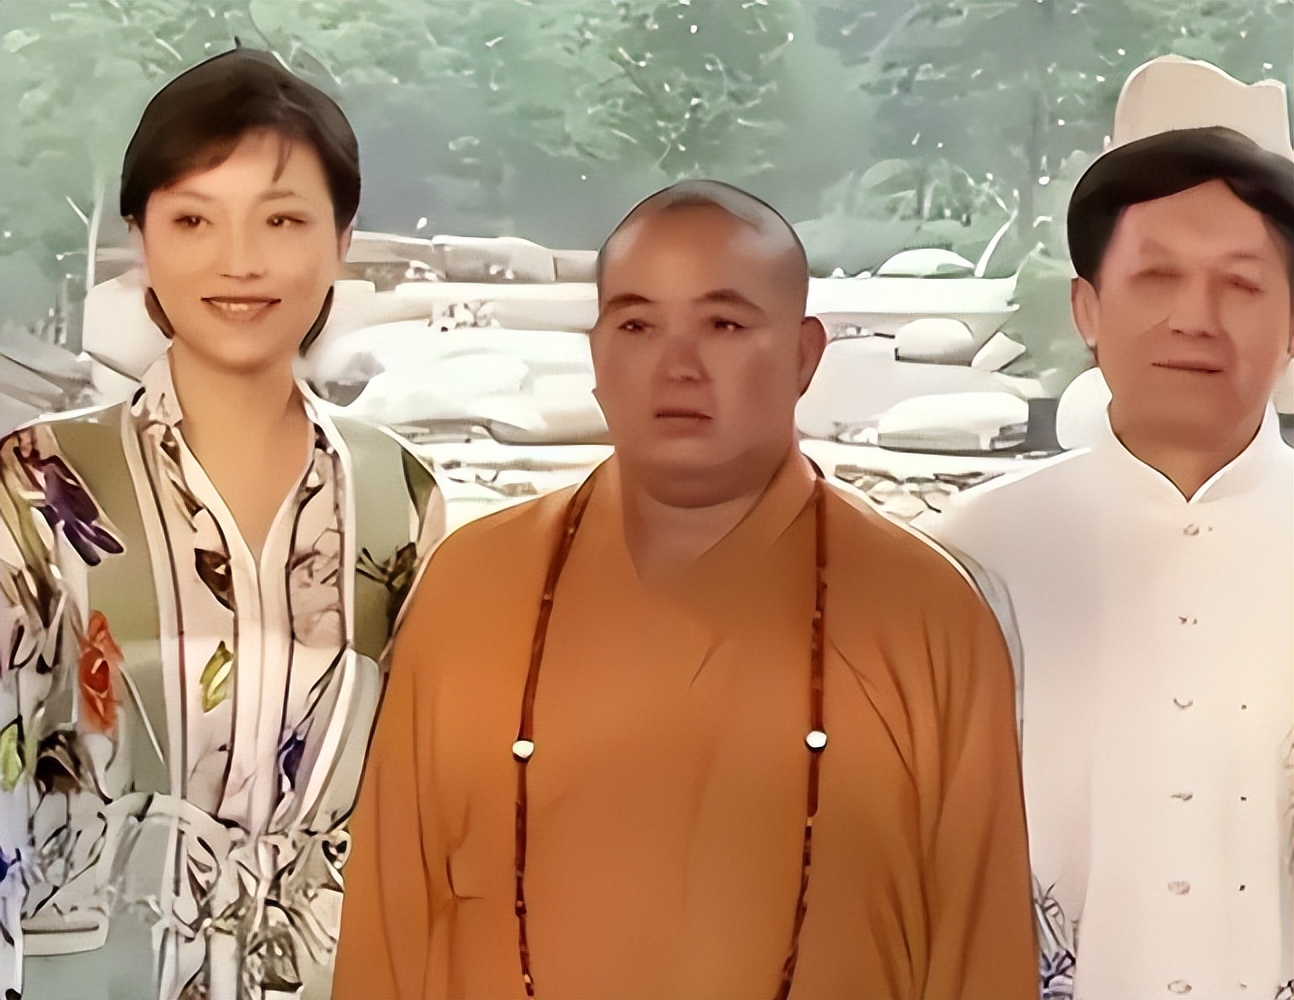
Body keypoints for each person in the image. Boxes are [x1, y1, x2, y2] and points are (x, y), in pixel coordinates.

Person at [332, 180, 1036, 999]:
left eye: (724, 325)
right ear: (596, 354)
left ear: (805, 356)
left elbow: (980, 953)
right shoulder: (473, 586)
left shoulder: (927, 614)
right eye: (636, 325)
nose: (678, 367)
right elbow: (388, 926)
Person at [0, 47, 443, 1000]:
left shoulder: (399, 494)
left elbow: (423, 802)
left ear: (342, 238)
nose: (240, 261)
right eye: (194, 219)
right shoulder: (36, 483)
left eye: (282, 220)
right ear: (141, 239)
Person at [916, 56, 1294, 999]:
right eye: (1156, 276)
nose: (1194, 318)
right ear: (1087, 308)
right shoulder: (976, 551)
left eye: (1242, 284)